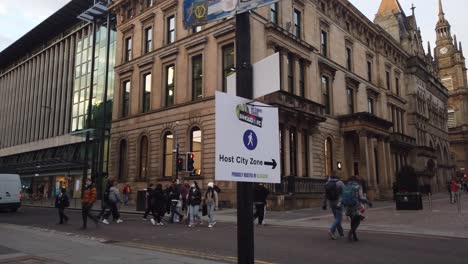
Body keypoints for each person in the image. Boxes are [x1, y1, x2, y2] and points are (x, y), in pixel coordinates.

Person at [343, 176, 372, 242]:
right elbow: (361, 198)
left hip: (348, 206)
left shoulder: (346, 186)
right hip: (355, 206)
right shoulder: (358, 186)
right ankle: (350, 234)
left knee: (352, 221)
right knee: (357, 221)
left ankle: (355, 236)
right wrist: (368, 202)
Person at [322, 173, 345, 240]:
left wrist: (324, 203)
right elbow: (345, 191)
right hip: (338, 202)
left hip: (331, 202)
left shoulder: (327, 183)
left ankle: (341, 233)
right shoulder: (340, 183)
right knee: (339, 218)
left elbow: (325, 195)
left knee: (337, 218)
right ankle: (331, 230)